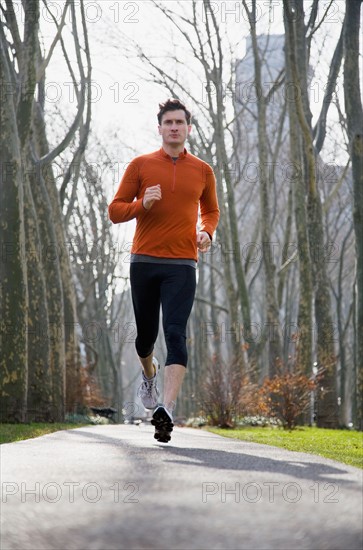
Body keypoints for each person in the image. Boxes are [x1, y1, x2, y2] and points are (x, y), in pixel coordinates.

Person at [108, 98, 220, 442]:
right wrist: (143, 204)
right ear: (160, 128)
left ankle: (165, 410)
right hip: (144, 261)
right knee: (145, 337)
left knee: (175, 333)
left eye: (179, 122)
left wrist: (207, 233)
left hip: (182, 264)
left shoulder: (203, 170)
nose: (174, 127)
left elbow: (211, 211)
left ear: (188, 128)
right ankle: (148, 374)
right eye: (168, 122)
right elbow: (114, 211)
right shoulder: (141, 165)